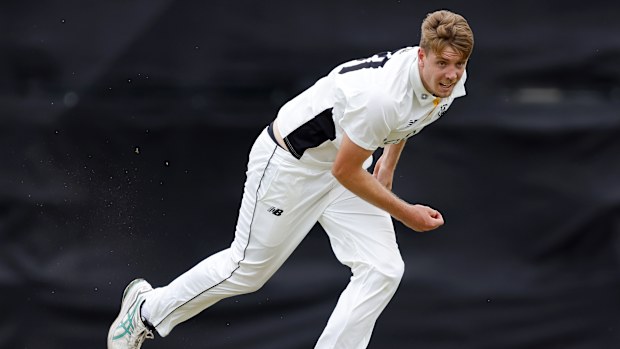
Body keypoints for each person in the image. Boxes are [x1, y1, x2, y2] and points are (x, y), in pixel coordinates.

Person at [108, 9, 474, 349]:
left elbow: (413, 116)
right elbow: (346, 170)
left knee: (383, 269)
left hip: (342, 165)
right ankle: (144, 310)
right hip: (290, 165)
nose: (452, 74)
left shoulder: (447, 80)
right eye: (443, 63)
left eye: (459, 65)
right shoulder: (381, 98)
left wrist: (388, 166)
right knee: (246, 271)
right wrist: (406, 213)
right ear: (421, 56)